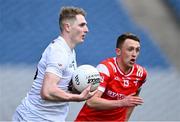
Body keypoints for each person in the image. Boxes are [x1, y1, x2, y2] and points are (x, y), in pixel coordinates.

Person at [12, 6, 94, 122]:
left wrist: (80, 87)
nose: (86, 29)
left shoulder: (69, 50)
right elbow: (47, 91)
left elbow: (61, 86)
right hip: (34, 118)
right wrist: (78, 97)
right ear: (67, 27)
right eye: (82, 25)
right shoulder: (59, 51)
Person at [75, 33, 148, 121]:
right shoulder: (105, 69)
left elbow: (134, 97)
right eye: (130, 49)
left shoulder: (141, 74)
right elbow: (91, 102)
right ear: (118, 51)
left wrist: (125, 119)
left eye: (137, 50)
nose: (134, 54)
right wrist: (122, 102)